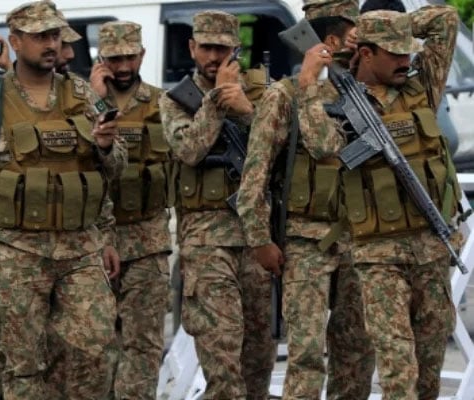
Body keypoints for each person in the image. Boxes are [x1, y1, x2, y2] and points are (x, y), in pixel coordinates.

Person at [0, 1, 127, 398]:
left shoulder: (81, 92)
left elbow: (110, 170)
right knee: (23, 366)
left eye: (55, 35)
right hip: (16, 250)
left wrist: (107, 147)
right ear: (15, 41)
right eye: (40, 36)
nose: (50, 43)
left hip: (80, 250)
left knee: (98, 353)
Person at [299, 4, 462, 398]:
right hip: (378, 254)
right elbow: (322, 147)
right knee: (396, 365)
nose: (406, 60)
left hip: (431, 246)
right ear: (367, 53)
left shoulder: (421, 86)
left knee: (429, 367)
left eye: (408, 51)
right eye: (395, 53)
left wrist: (387, 25)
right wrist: (307, 81)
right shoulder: (331, 95)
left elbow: (447, 19)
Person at [237, 1, 376, 399]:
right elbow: (256, 172)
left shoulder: (363, 92)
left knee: (357, 351)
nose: (362, 40)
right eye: (354, 32)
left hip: (358, 239)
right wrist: (259, 238)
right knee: (306, 354)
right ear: (332, 40)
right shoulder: (285, 95)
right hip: (304, 241)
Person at [159, 10, 275, 399]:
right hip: (206, 241)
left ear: (235, 50)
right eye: (206, 48)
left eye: (221, 49)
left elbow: (284, 154)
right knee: (222, 360)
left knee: (258, 358)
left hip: (257, 238)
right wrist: (216, 102)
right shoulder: (176, 101)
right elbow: (190, 149)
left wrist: (245, 109)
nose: (213, 57)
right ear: (192, 48)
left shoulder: (263, 93)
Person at [87, 20, 171, 399]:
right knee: (93, 346)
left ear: (142, 56)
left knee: (143, 344)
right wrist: (98, 101)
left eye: (129, 57)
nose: (123, 67)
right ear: (101, 59)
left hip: (147, 239)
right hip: (91, 244)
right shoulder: (80, 101)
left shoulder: (162, 102)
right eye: (114, 59)